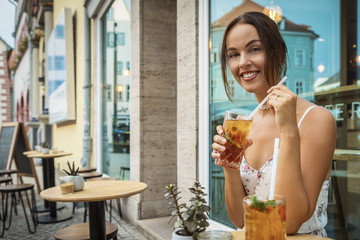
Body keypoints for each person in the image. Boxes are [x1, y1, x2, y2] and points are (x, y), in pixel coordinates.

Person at [211, 12, 336, 237]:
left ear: (276, 52)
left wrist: (289, 130)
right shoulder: (247, 124)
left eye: (254, 49)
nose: (243, 62)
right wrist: (229, 165)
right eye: (233, 54)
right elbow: (239, 220)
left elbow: (290, 223)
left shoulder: (317, 119)